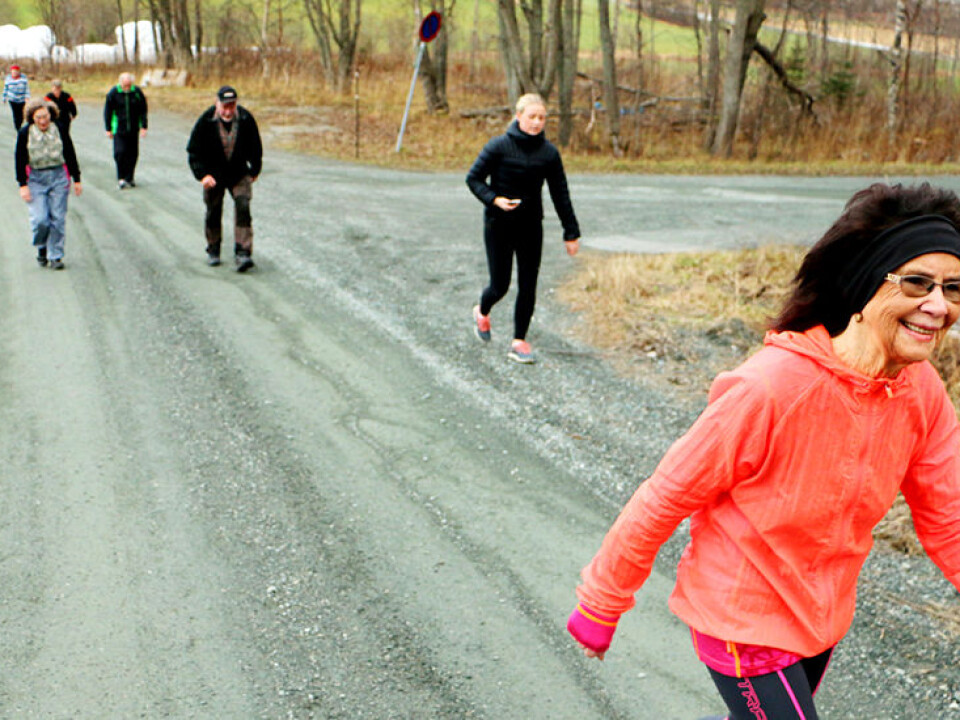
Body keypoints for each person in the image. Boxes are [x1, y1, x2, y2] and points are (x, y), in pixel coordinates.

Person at [567, 182, 960, 720]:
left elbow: (949, 515)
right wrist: (602, 600)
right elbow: (665, 496)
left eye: (954, 288)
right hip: (742, 617)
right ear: (866, 286)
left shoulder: (921, 390)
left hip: (820, 616)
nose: (938, 306)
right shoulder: (772, 387)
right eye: (917, 282)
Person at [466, 92, 580, 364]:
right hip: (499, 225)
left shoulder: (549, 154)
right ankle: (482, 311)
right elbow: (474, 179)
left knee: (528, 284)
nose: (536, 122)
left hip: (531, 227)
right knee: (500, 285)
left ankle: (519, 341)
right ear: (518, 117)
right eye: (531, 116)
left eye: (541, 118)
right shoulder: (498, 147)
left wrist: (571, 232)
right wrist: (494, 199)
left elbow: (560, 194)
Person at [186, 85, 262, 273]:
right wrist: (202, 175)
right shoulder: (205, 121)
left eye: (232, 106)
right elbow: (193, 151)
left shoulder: (245, 119)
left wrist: (255, 169)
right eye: (224, 106)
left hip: (239, 173)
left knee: (243, 207)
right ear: (217, 104)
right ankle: (213, 248)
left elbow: (256, 146)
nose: (228, 111)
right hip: (214, 175)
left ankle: (243, 252)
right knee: (213, 211)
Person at [15, 98, 82, 270]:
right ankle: (42, 246)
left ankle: (56, 256)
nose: (43, 121)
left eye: (45, 117)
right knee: (40, 219)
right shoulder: (25, 133)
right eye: (38, 118)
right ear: (32, 118)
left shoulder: (59, 128)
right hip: (36, 179)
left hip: (58, 177)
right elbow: (20, 159)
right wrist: (22, 184)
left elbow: (69, 152)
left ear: (51, 116)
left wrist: (77, 179)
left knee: (57, 219)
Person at [103, 72, 147, 189]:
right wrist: (108, 128)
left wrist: (144, 126)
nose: (127, 88)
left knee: (133, 154)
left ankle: (130, 177)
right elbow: (108, 112)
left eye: (129, 85)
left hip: (133, 129)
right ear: (121, 83)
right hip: (119, 128)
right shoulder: (113, 93)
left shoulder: (136, 92)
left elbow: (143, 110)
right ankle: (121, 177)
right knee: (120, 152)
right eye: (125, 85)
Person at [3, 64, 30, 130]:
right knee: (16, 114)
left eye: (16, 71)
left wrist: (27, 97)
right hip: (12, 99)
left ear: (19, 72)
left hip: (22, 99)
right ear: (11, 72)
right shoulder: (8, 79)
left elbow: (27, 88)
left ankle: (19, 124)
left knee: (21, 114)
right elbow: (5, 88)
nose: (15, 72)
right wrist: (4, 98)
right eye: (13, 71)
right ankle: (18, 128)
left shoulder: (23, 78)